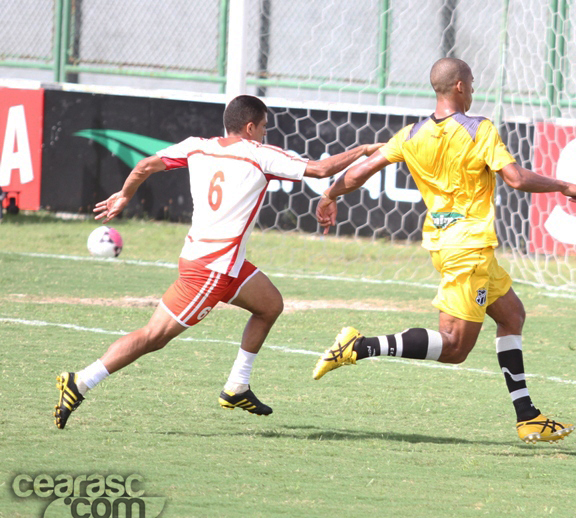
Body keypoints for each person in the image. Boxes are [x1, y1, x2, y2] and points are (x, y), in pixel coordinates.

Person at [54, 95, 383, 429]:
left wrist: (125, 195)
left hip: (222, 262)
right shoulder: (258, 154)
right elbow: (321, 169)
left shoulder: (196, 146)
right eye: (265, 128)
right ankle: (80, 381)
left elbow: (144, 167)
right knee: (154, 336)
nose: (266, 135)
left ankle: (237, 386)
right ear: (250, 126)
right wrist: (365, 150)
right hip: (212, 269)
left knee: (270, 304)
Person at [312, 58, 576, 444]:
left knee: (512, 316)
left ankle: (527, 416)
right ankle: (359, 346)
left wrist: (329, 194)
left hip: (454, 244)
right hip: (468, 248)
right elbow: (515, 178)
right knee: (455, 347)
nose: (474, 90)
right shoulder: (479, 129)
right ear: (459, 86)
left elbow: (359, 172)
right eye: (472, 84)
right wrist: (563, 186)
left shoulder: (411, 134)